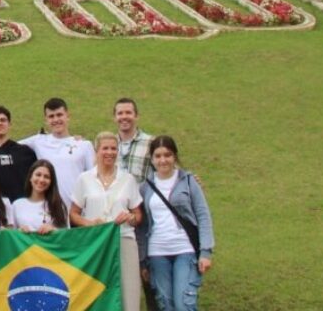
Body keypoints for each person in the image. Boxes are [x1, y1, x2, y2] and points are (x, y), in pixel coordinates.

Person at [138, 136, 215, 311]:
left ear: (175, 157)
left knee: (184, 303)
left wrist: (206, 252)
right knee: (165, 304)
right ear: (152, 159)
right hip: (157, 252)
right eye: (158, 156)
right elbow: (142, 226)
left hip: (185, 250)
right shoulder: (145, 187)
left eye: (167, 155)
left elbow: (203, 215)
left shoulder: (188, 181)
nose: (163, 160)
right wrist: (143, 261)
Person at [71, 132, 144, 311]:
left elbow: (138, 215)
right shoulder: (84, 178)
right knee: (98, 289)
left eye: (113, 148)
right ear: (97, 151)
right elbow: (73, 213)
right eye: (105, 148)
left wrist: (131, 217)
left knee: (129, 290)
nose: (109, 152)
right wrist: (89, 223)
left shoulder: (127, 179)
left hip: (124, 239)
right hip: (96, 243)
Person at [21, 98, 95, 204]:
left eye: (59, 115)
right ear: (46, 120)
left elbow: (94, 178)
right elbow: (10, 147)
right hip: (50, 210)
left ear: (68, 116)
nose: (56, 120)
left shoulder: (84, 145)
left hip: (78, 209)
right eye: (51, 116)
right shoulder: (38, 140)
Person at [11, 160, 69, 234]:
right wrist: (19, 231)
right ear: (30, 177)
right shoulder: (17, 205)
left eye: (46, 177)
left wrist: (54, 230)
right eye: (38, 175)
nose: (41, 180)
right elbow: (11, 236)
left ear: (51, 182)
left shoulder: (59, 206)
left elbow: (67, 236)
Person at [115, 97, 155, 183]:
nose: (124, 117)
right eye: (120, 113)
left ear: (136, 116)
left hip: (141, 196)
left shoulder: (151, 142)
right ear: (115, 117)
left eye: (128, 113)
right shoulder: (109, 145)